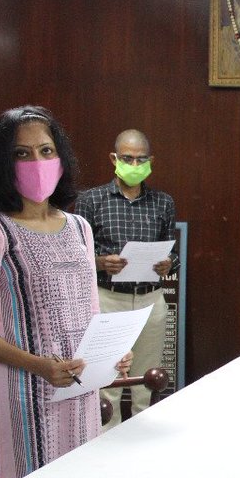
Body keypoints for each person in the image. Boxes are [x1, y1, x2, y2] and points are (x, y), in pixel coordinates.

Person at [0, 106, 130, 478]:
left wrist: (112, 352)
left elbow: (90, 312)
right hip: (19, 400)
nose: (37, 162)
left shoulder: (79, 228)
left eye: (46, 151)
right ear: (1, 163)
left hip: (79, 396)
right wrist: (39, 366)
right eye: (22, 153)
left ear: (61, 158)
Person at [75, 129, 178, 428]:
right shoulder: (91, 200)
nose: (134, 165)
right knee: (106, 381)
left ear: (151, 161)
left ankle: (142, 441)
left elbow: (172, 252)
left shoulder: (163, 202)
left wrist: (169, 263)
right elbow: (77, 256)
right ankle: (106, 443)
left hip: (150, 299)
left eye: (141, 159)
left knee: (148, 379)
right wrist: (100, 263)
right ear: (114, 159)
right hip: (108, 298)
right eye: (127, 158)